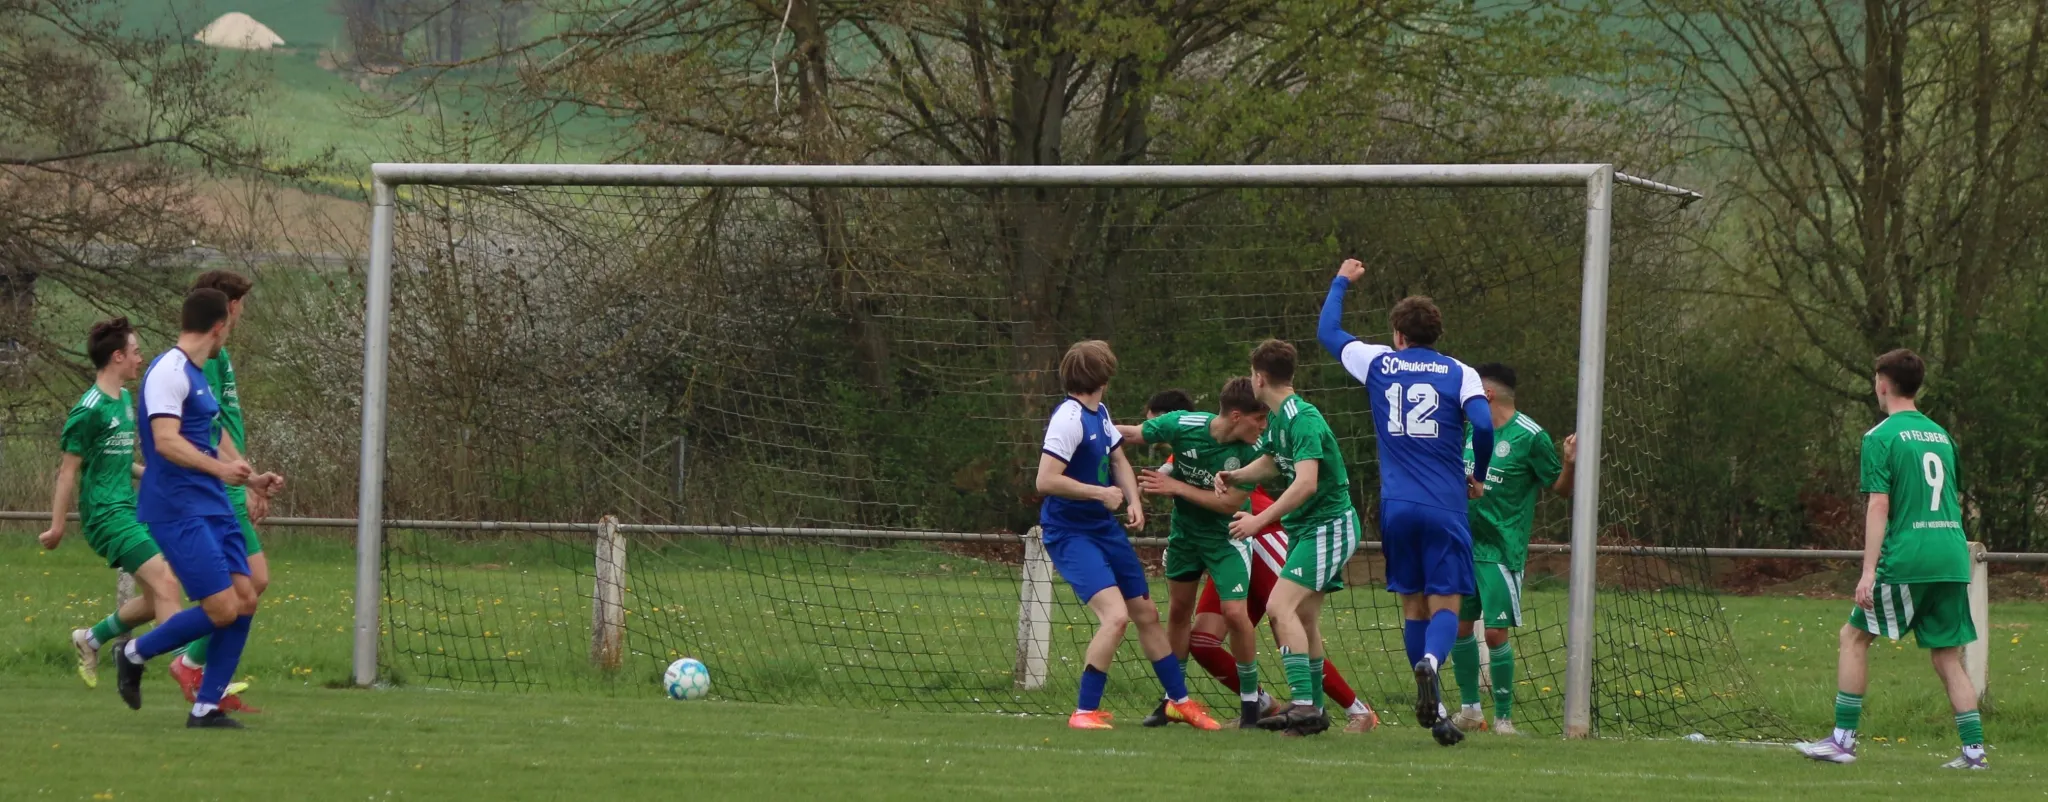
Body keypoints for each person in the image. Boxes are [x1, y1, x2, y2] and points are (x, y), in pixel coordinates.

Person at [1317, 256, 1492, 747]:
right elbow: (1481, 424)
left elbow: (1328, 331)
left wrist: (1341, 282)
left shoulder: (1378, 362)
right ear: (1436, 333)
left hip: (1396, 507)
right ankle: (1432, 665)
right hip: (1444, 505)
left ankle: (1435, 712)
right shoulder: (1461, 373)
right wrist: (1475, 476)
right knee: (1447, 604)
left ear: (1398, 333)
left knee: (1413, 604)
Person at [1797, 349, 1985, 769]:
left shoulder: (1880, 436)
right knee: (1947, 656)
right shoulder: (1941, 435)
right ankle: (1974, 754)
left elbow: (1879, 505)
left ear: (1883, 382)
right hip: (1952, 557)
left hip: (1909, 558)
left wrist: (1868, 571)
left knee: (1854, 637)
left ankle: (1842, 741)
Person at [112, 288, 280, 728]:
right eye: (232, 323)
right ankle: (132, 653)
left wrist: (250, 475)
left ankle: (205, 707)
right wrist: (220, 472)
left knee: (245, 599)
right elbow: (166, 442)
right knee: (222, 607)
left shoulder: (199, 373)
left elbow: (211, 435)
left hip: (212, 503)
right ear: (218, 326)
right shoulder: (168, 369)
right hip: (177, 507)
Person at [1037, 340, 1219, 731]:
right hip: (1070, 532)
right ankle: (1084, 712)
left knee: (1146, 614)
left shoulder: (1099, 412)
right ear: (1102, 375)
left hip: (1103, 529)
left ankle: (1179, 702)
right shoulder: (1068, 419)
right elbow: (1045, 480)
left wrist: (1133, 500)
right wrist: (1099, 493)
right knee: (1116, 618)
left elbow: (1117, 457)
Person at [1212, 339, 1362, 737]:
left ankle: (1304, 706)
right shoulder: (1279, 420)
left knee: (1280, 608)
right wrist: (1235, 477)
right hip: (1307, 527)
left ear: (1259, 378)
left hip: (1329, 525)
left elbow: (1306, 484)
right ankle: (1313, 714)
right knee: (1305, 619)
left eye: (1250, 375)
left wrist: (1259, 522)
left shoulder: (1303, 417)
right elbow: (1271, 462)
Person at [39, 318, 185, 687]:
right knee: (168, 581)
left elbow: (116, 460)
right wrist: (57, 527)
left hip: (130, 509)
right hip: (106, 516)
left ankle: (90, 639)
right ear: (117, 356)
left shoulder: (122, 398)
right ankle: (191, 671)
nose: (140, 358)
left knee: (156, 598)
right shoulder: (89, 409)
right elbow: (67, 472)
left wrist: (150, 476)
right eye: (135, 352)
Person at [1117, 379, 1268, 727]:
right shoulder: (1185, 424)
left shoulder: (1253, 451)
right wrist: (1085, 423)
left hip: (1227, 537)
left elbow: (1228, 503)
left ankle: (1250, 705)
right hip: (1185, 537)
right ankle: (1174, 699)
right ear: (1235, 416)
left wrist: (1174, 487)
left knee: (1234, 613)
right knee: (1179, 611)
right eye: (1258, 418)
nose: (1263, 426)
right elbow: (1135, 433)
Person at [171, 269, 281, 711]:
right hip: (219, 486)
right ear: (230, 306)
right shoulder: (206, 357)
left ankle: (199, 672)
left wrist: (248, 476)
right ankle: (185, 664)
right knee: (244, 588)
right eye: (242, 304)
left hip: (230, 481)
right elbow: (207, 428)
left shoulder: (220, 355)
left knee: (250, 586)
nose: (242, 313)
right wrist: (240, 477)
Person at [1447, 363, 1575, 736]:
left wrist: (1568, 464)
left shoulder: (1531, 436)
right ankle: (1470, 710)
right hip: (1463, 545)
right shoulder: (1471, 432)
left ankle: (1504, 718)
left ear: (1485, 395)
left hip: (1501, 550)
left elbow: (1560, 488)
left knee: (1495, 634)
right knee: (1459, 627)